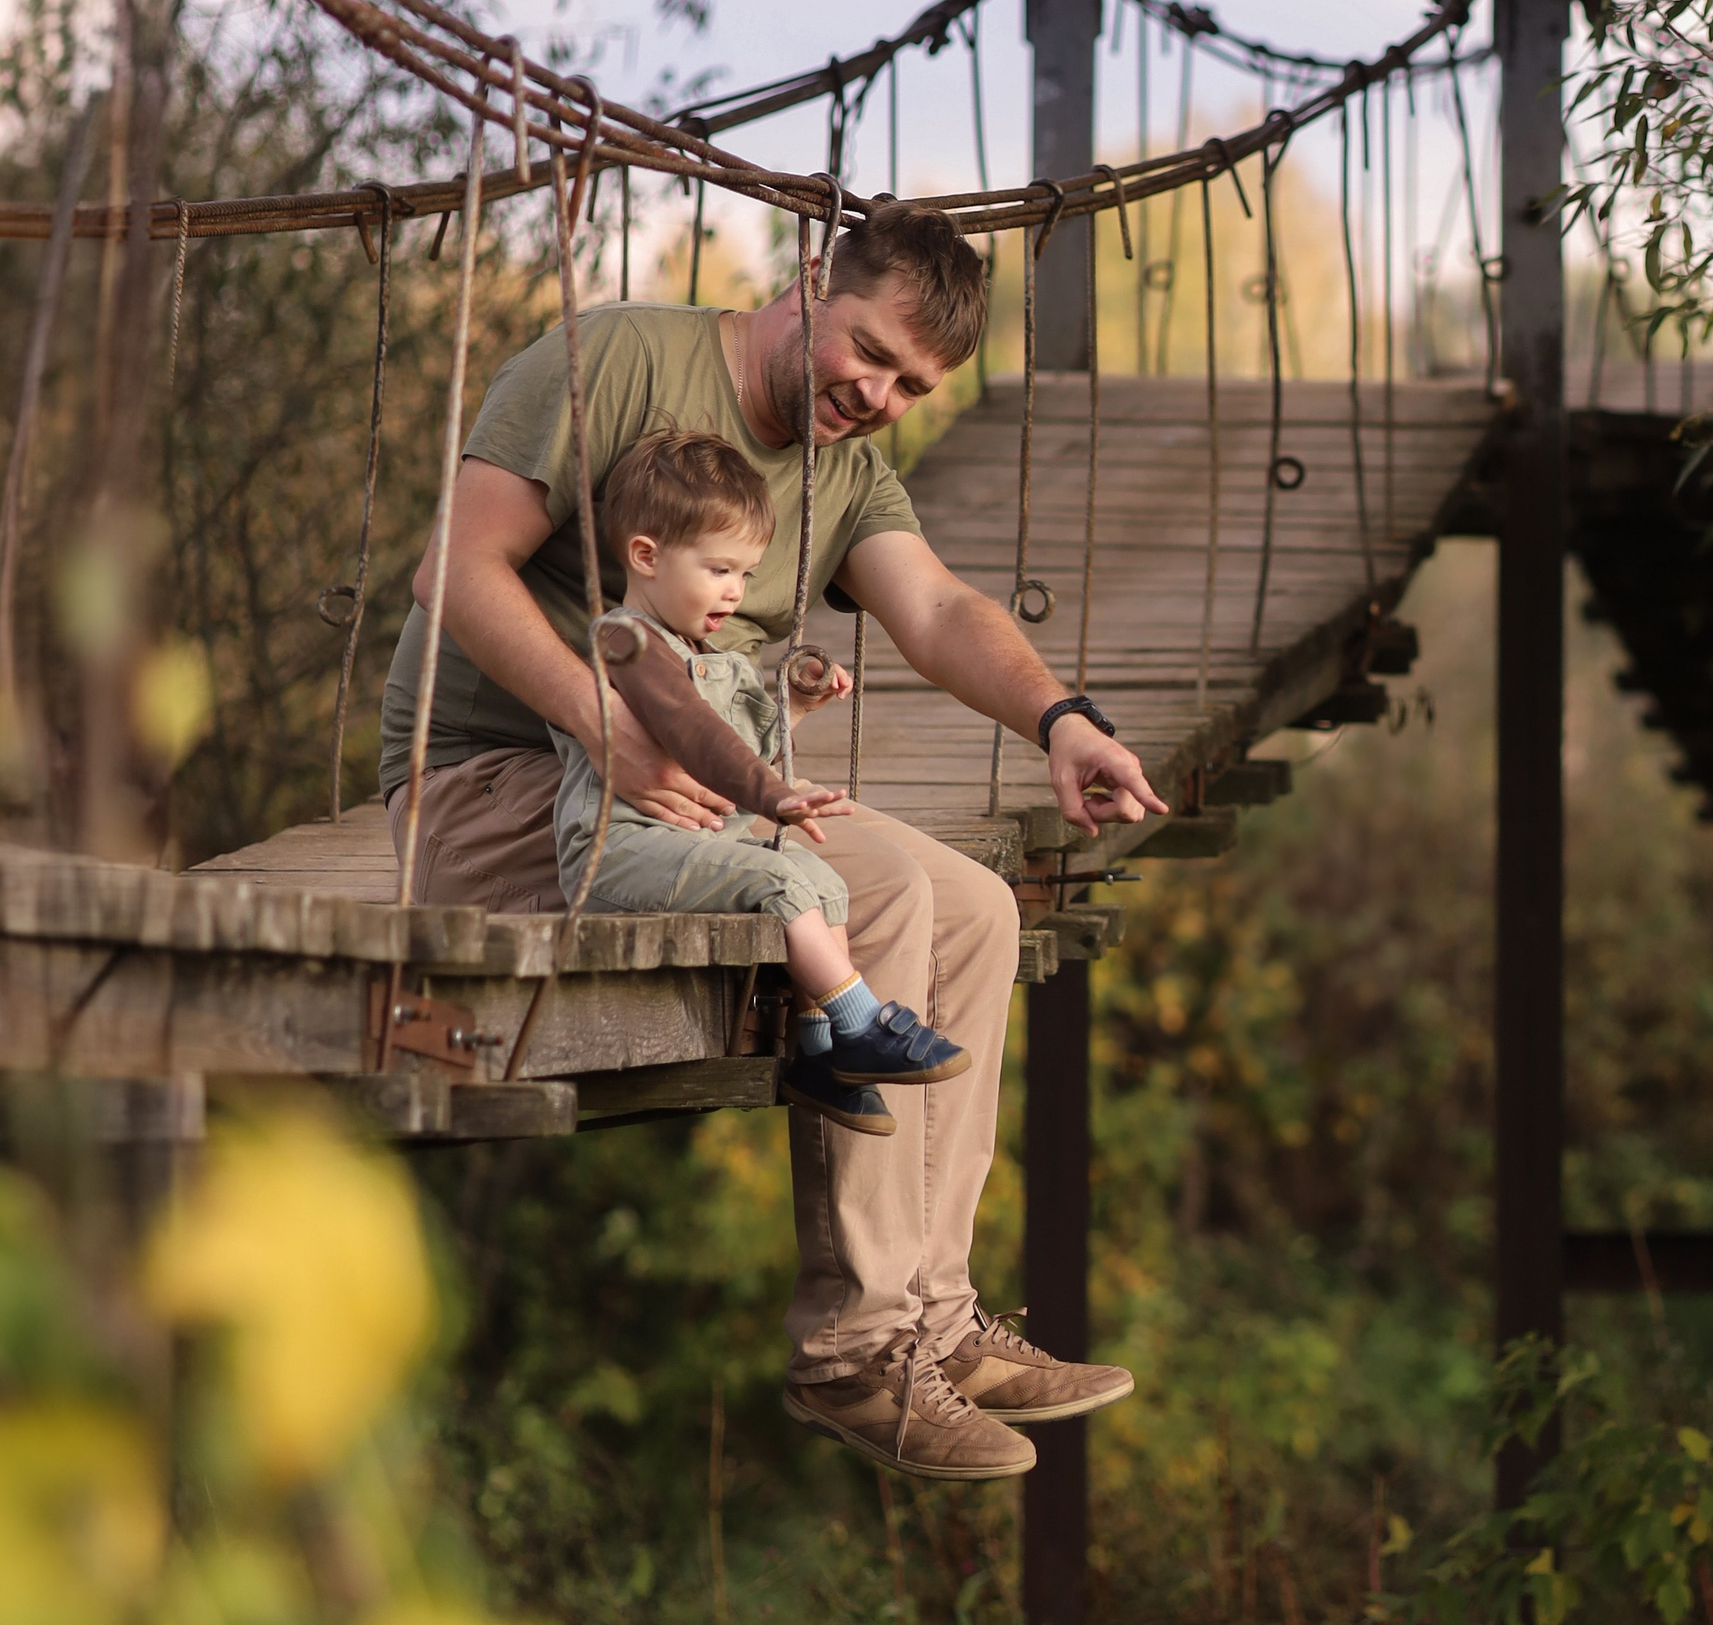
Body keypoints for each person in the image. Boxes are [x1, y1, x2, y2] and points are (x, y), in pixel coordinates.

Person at [376, 201, 1167, 1481]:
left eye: (915, 384)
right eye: (872, 352)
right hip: (500, 790)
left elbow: (939, 607)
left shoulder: (845, 460)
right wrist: (601, 717)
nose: (883, 393)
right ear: (810, 280)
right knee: (892, 892)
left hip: (681, 799)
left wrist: (1059, 718)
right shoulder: (618, 357)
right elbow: (453, 571)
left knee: (979, 908)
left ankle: (936, 1318)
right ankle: (858, 1356)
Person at [552, 428, 972, 1143]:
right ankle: (860, 1021)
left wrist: (796, 706)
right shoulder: (625, 641)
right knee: (784, 882)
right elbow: (694, 735)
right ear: (646, 556)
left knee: (819, 879)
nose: (736, 591)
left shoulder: (704, 653)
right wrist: (774, 796)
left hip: (686, 843)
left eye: (745, 574)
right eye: (719, 569)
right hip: (617, 853)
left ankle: (819, 1053)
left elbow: (741, 746)